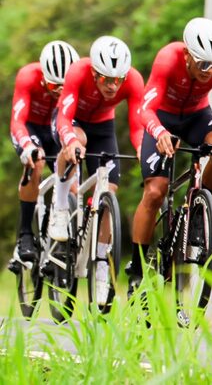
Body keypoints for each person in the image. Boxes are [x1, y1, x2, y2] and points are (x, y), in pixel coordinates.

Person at [129, 17, 212, 295]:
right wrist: (159, 132)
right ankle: (137, 271)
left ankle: (197, 212)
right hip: (161, 118)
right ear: (187, 54)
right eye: (202, 64)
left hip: (197, 117)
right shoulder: (168, 59)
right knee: (155, 192)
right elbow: (145, 109)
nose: (209, 71)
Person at [53, 36, 144, 302]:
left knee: (109, 190)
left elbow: (138, 126)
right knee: (77, 142)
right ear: (94, 72)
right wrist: (69, 141)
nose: (113, 86)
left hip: (103, 127)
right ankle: (61, 207)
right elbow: (64, 117)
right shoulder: (78, 72)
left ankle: (102, 265)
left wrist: (141, 148)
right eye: (106, 79)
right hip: (74, 122)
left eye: (118, 80)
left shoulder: (134, 81)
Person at [10, 41, 79, 263]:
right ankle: (25, 234)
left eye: (64, 87)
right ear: (43, 78)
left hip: (56, 128)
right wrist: (28, 147)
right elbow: (17, 121)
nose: (59, 93)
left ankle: (62, 234)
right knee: (36, 163)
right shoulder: (28, 76)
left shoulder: (78, 80)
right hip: (30, 128)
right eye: (53, 87)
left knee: (75, 184)